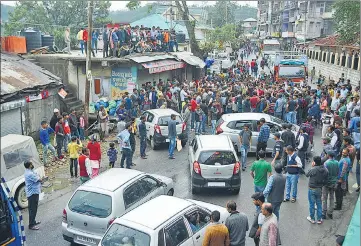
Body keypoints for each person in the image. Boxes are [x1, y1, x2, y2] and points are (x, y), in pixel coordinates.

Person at [306, 156, 328, 224]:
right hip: (319, 188)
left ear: (314, 162)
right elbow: (326, 177)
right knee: (319, 203)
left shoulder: (313, 169)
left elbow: (307, 174)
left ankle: (312, 218)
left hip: (312, 188)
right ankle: (319, 219)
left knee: (312, 204)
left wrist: (312, 167)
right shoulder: (325, 170)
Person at [24, 161, 44, 230]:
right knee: (32, 209)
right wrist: (41, 179)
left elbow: (36, 174)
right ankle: (31, 225)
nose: (32, 165)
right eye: (31, 164)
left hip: (34, 192)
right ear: (29, 165)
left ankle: (33, 221)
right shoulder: (29, 174)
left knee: (34, 208)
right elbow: (39, 179)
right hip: (32, 193)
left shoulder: (29, 171)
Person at [322, 150, 339, 220]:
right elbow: (338, 172)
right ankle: (330, 212)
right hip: (334, 183)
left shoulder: (326, 163)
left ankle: (324, 213)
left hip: (327, 183)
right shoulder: (337, 162)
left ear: (328, 155)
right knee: (332, 197)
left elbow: (324, 173)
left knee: (324, 198)